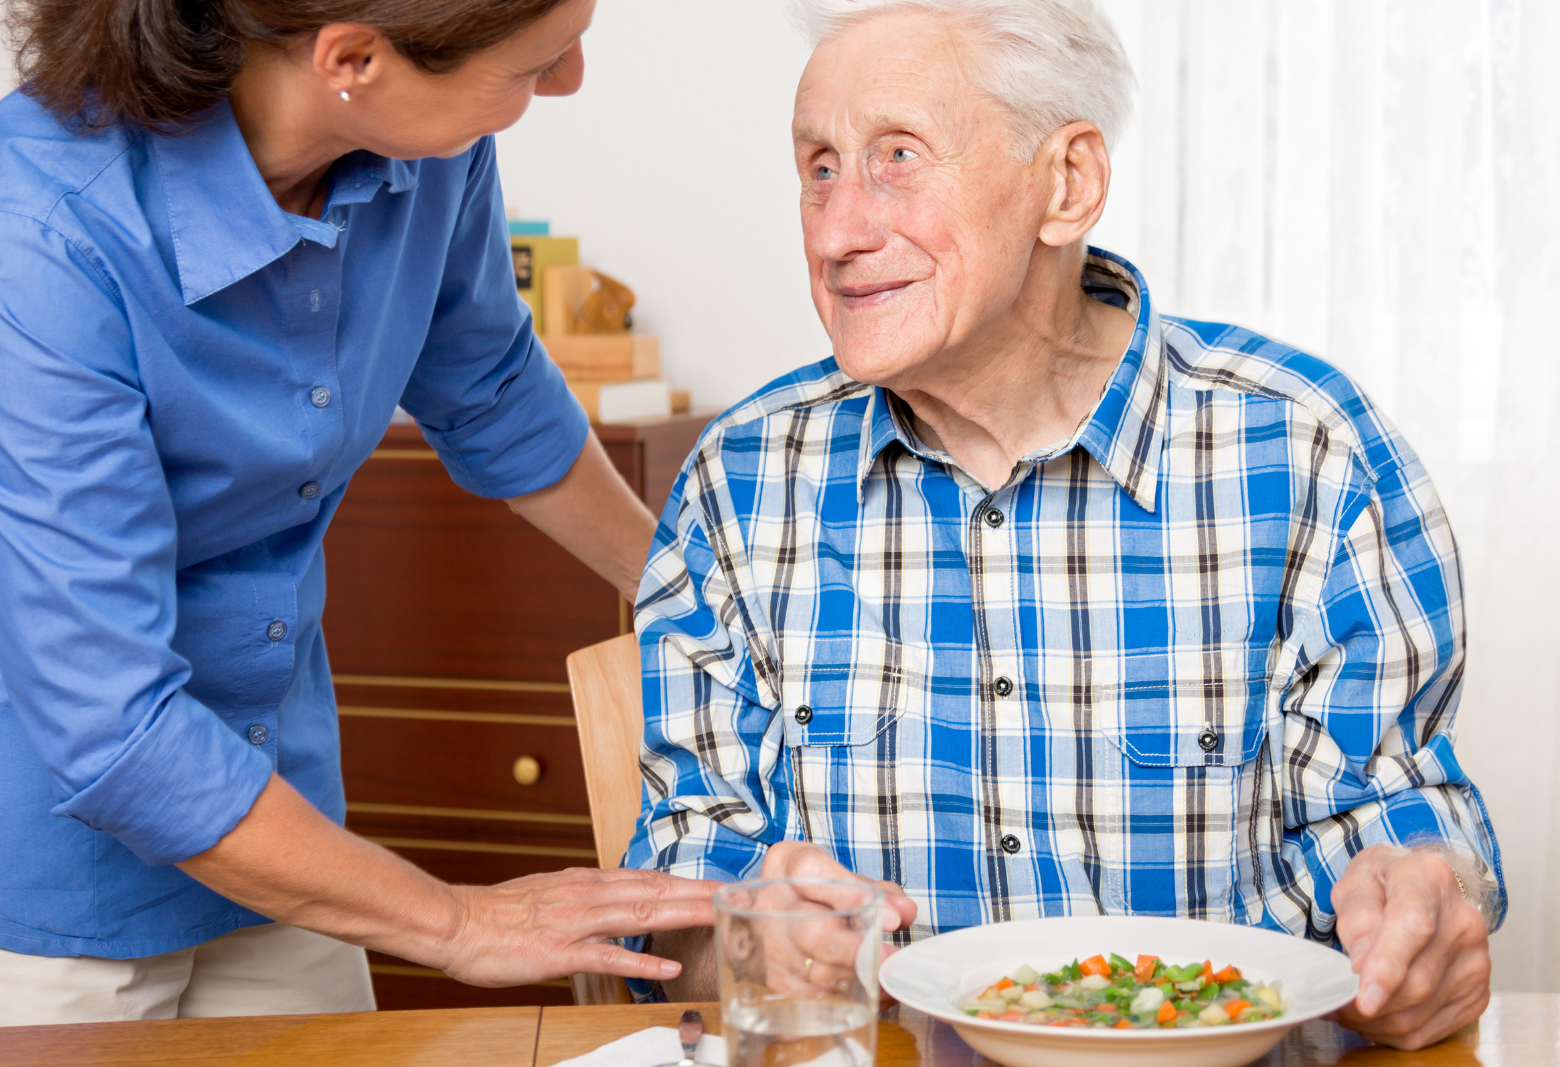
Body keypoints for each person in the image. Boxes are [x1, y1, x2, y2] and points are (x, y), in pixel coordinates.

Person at [0, 0, 924, 1026]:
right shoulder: (41, 234)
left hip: (286, 824)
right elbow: (114, 726)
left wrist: (707, 603)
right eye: (534, 63)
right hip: (44, 870)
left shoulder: (424, 152)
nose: (572, 77)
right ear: (354, 59)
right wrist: (457, 921)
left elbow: (491, 391)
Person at [625, 0, 1505, 1050]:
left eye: (897, 157)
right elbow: (676, 898)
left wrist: (1422, 902)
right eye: (819, 166)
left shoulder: (1311, 452)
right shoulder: (743, 479)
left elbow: (1392, 825)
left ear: (1068, 183)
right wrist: (743, 932)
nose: (835, 231)